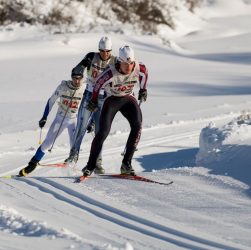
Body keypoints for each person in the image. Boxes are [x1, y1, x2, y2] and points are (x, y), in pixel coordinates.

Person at [82, 45, 148, 177]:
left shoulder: (139, 68)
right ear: (119, 61)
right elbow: (97, 85)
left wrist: (143, 90)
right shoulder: (110, 73)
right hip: (112, 100)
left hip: (128, 98)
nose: (129, 67)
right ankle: (90, 165)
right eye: (125, 64)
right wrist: (94, 100)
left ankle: (126, 164)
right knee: (103, 132)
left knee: (137, 125)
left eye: (131, 63)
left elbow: (144, 76)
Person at [18, 69, 84, 177]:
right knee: (47, 144)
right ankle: (32, 164)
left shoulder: (85, 88)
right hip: (61, 118)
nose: (77, 81)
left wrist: (91, 122)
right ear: (71, 77)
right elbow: (51, 100)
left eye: (79, 78)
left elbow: (92, 104)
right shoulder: (63, 87)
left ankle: (71, 167)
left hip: (75, 119)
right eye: (75, 78)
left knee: (75, 146)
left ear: (82, 78)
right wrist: (44, 117)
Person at [65, 36, 115, 174]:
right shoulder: (92, 56)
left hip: (104, 99)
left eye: (107, 51)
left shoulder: (115, 61)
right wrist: (79, 69)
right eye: (102, 51)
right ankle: (73, 155)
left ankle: (97, 163)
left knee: (100, 132)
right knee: (81, 125)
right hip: (89, 96)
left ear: (111, 50)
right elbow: (80, 66)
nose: (104, 54)